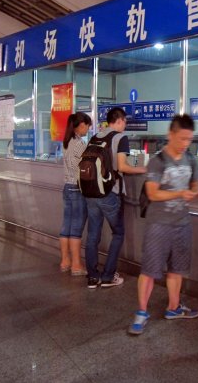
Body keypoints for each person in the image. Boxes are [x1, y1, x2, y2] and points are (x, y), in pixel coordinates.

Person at [128, 114, 198, 335]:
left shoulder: (191, 160)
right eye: (181, 138)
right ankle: (141, 312)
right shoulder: (158, 161)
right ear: (170, 134)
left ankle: (173, 307)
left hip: (182, 223)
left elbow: (194, 184)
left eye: (189, 139)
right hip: (159, 224)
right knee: (150, 270)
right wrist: (181, 193)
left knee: (177, 268)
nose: (185, 144)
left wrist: (195, 192)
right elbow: (152, 193)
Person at [85, 107, 146, 289]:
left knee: (93, 235)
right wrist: (144, 169)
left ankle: (93, 277)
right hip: (110, 192)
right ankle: (108, 276)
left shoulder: (95, 137)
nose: (125, 125)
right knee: (118, 233)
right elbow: (122, 166)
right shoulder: (121, 138)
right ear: (119, 121)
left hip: (91, 192)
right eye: (125, 121)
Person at [59, 112, 92, 276]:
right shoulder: (80, 144)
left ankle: (65, 261)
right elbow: (86, 167)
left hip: (67, 187)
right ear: (80, 125)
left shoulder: (66, 141)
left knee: (66, 226)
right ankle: (77, 265)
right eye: (87, 125)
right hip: (77, 188)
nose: (88, 129)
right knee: (76, 228)